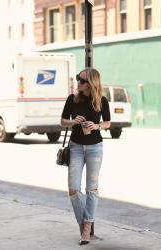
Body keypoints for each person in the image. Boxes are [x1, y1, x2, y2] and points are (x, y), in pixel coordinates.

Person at [61, 68, 111, 245]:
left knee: (92, 189)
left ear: (91, 83)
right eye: (78, 79)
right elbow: (62, 121)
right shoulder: (72, 99)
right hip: (75, 147)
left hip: (95, 148)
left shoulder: (101, 100)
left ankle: (87, 228)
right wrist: (73, 122)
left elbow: (107, 122)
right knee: (73, 189)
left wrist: (96, 126)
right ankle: (82, 223)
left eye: (82, 81)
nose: (78, 83)